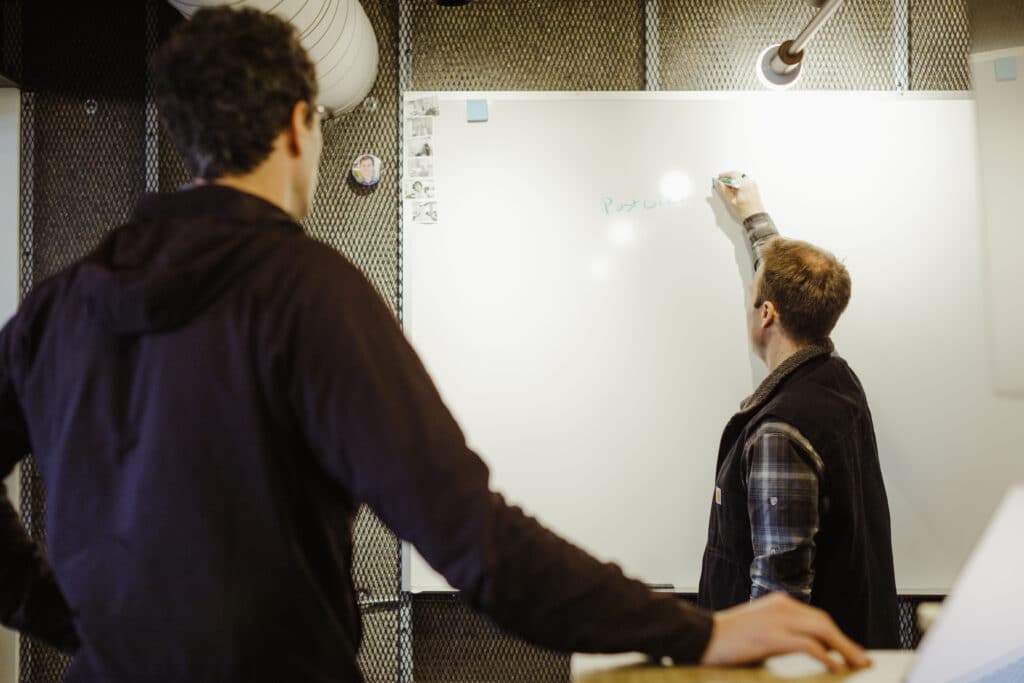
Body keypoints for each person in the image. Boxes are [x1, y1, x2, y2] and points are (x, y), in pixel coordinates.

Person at [0, 10, 869, 681]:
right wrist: (701, 629)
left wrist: (66, 615)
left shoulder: (57, 307)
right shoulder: (306, 294)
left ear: (185, 137)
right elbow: (473, 540)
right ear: (302, 126)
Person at [700, 172, 900, 649]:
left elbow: (778, 604)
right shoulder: (836, 378)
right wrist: (753, 217)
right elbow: (788, 280)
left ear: (767, 313)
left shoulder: (781, 432)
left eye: (755, 298)